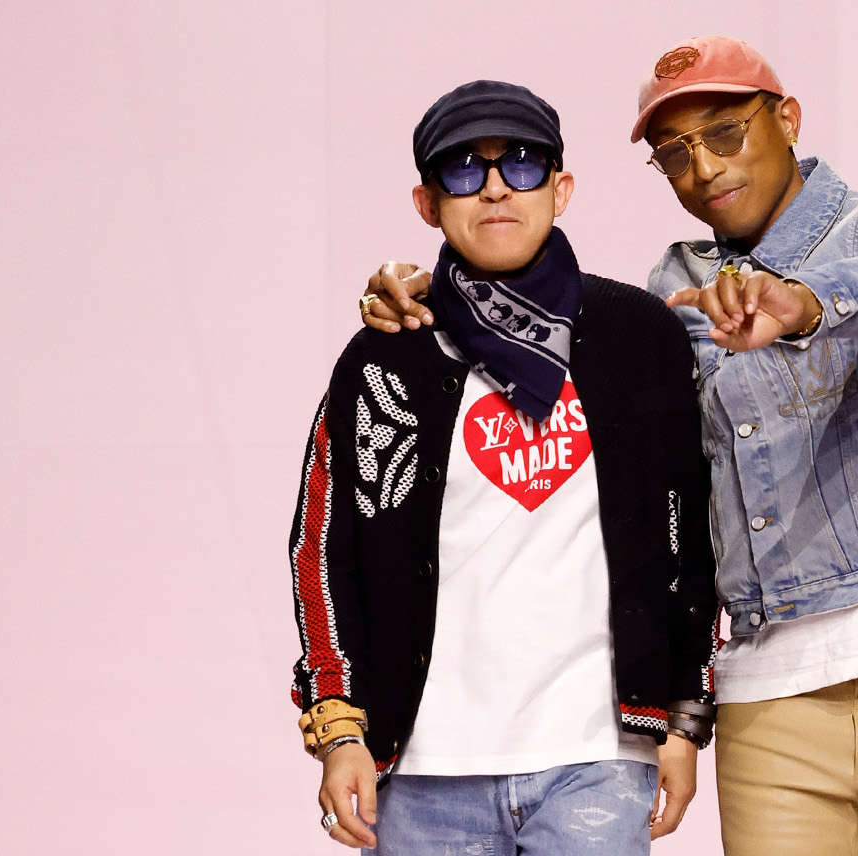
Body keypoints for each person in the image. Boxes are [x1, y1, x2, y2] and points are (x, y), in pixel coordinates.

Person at [362, 37, 858, 856]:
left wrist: (802, 302)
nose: (701, 168)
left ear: (788, 118)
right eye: (674, 153)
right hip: (768, 696)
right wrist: (439, 295)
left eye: (724, 133)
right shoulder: (676, 288)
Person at [289, 79, 718, 854]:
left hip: (596, 756)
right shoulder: (389, 353)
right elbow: (323, 549)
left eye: (520, 164)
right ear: (427, 203)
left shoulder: (637, 337)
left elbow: (693, 539)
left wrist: (685, 715)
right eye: (463, 169)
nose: (494, 186)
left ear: (562, 189)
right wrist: (339, 726)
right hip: (421, 768)